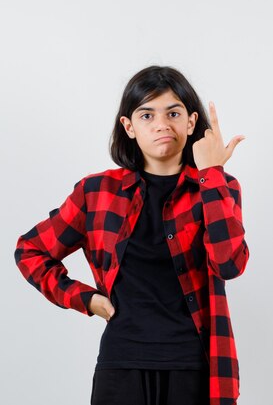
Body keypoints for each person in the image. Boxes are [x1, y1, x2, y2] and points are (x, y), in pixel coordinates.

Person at [14, 65, 249, 405]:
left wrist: (211, 173)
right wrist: (86, 300)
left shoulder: (218, 187)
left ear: (191, 122)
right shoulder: (96, 192)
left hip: (192, 366)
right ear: (129, 127)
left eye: (173, 112)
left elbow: (228, 264)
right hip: (121, 363)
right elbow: (30, 250)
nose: (161, 125)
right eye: (147, 115)